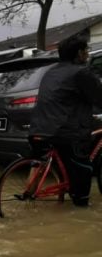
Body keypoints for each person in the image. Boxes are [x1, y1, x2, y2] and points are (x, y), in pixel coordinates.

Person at [29, 35, 102, 207]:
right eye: (86, 51)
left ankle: (30, 190)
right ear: (79, 53)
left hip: (38, 128)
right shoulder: (81, 72)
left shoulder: (51, 71)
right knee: (83, 168)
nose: (88, 54)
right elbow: (99, 97)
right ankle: (81, 203)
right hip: (66, 132)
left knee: (51, 161)